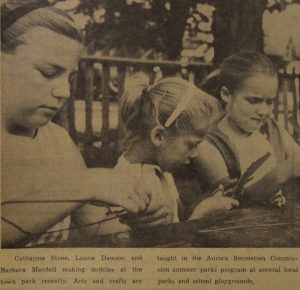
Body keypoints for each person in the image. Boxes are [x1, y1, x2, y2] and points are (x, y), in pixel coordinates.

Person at [1, 1, 151, 247]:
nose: (65, 91)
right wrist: (84, 184)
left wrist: (140, 217)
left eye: (69, 78)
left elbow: (95, 225)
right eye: (48, 72)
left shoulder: (58, 141)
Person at [74, 77, 239, 236]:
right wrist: (200, 216)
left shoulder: (160, 170)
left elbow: (176, 218)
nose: (196, 154)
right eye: (191, 145)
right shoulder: (132, 185)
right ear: (159, 136)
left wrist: (209, 201)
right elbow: (158, 246)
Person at [190, 51, 300, 208]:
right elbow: (231, 201)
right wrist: (284, 172)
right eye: (254, 101)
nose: (263, 111)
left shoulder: (271, 128)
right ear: (226, 94)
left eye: (269, 102)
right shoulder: (208, 143)